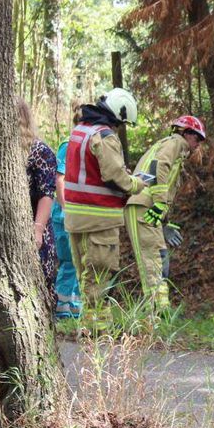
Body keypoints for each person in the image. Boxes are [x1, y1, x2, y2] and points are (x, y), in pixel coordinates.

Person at [63, 88, 148, 309]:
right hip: (99, 220)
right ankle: (98, 335)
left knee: (86, 280)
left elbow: (90, 172)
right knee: (99, 281)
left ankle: (88, 330)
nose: (119, 129)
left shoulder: (80, 130)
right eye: (122, 124)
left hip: (75, 219)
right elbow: (115, 176)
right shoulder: (104, 135)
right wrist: (137, 183)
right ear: (118, 115)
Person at [125, 116, 206, 311]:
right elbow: (159, 166)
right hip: (143, 206)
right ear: (186, 133)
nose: (198, 145)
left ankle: (160, 311)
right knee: (153, 260)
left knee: (160, 258)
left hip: (149, 209)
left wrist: (165, 221)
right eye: (197, 139)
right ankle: (154, 314)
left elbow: (164, 185)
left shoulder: (174, 149)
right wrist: (160, 204)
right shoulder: (175, 143)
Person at [18, 100, 58, 303]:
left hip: (36, 228)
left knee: (40, 284)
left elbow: (47, 193)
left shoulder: (39, 151)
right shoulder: (2, 151)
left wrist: (38, 229)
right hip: (14, 229)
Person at [52, 107, 83, 319]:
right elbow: (59, 178)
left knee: (79, 262)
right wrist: (65, 208)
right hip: (64, 216)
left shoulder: (83, 146)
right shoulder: (68, 144)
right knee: (69, 262)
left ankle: (75, 308)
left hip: (78, 214)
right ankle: (62, 310)